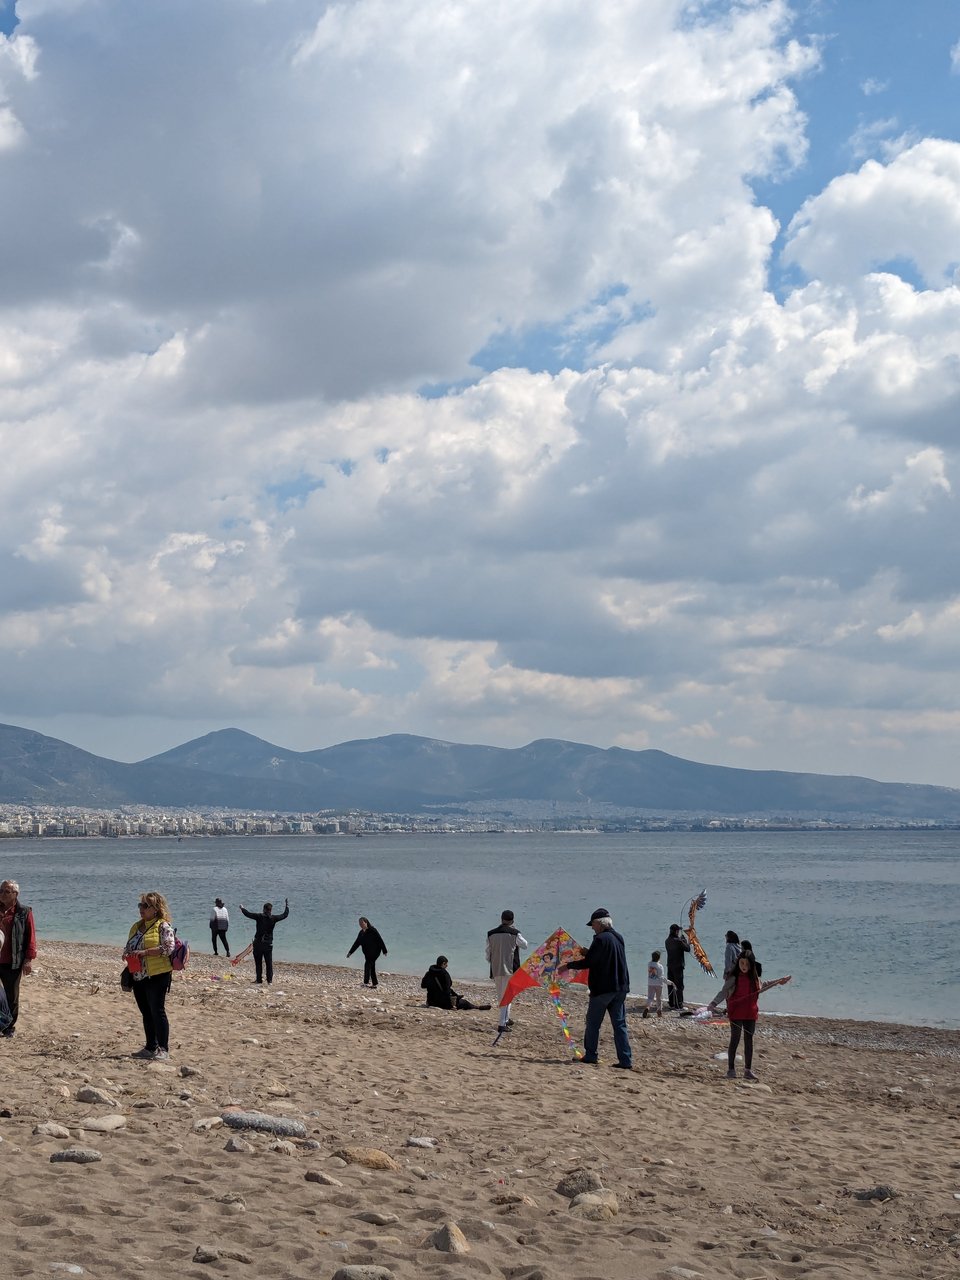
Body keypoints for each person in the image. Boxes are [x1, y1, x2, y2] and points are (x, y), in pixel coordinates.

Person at [561, 907, 633, 1070]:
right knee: (620, 1025)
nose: (592, 928)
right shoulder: (618, 937)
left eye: (592, 925)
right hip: (620, 987)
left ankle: (591, 1055)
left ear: (599, 924)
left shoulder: (600, 939)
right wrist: (588, 952)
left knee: (593, 1023)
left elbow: (590, 963)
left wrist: (568, 966)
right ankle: (626, 1060)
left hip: (603, 989)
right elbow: (602, 956)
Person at [123, 891, 175, 1060]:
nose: (141, 909)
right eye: (140, 905)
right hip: (138, 975)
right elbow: (129, 945)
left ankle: (163, 1049)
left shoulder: (163, 926)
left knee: (157, 1011)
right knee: (146, 1012)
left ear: (155, 908)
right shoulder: (137, 926)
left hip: (157, 974)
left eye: (145, 906)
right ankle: (150, 1047)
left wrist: (145, 952)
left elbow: (168, 948)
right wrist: (127, 953)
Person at [0, 880, 37, 1037]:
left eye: (7, 892)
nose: (2, 894)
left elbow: (30, 937)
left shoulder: (24, 912)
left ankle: (9, 1027)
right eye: (1, 890)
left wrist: (28, 960)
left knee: (11, 996)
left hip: (13, 961)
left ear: (16, 894)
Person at [720, 949, 762, 1080]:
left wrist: (778, 981)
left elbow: (763, 985)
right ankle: (731, 1070)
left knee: (749, 1041)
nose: (744, 967)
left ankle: (747, 1070)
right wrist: (712, 1004)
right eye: (742, 963)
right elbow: (723, 992)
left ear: (751, 965)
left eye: (746, 964)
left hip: (750, 1013)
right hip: (736, 1012)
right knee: (735, 1039)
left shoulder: (754, 978)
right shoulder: (734, 977)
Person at [486, 909, 528, 1032]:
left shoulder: (491, 934)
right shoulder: (515, 933)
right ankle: (502, 1024)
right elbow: (525, 945)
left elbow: (488, 953)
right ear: (512, 921)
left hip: (496, 968)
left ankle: (506, 1018)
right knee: (507, 996)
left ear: (501, 919)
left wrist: (492, 963)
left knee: (502, 996)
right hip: (510, 969)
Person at [239, 898, 289, 984]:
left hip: (258, 943)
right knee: (268, 963)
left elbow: (248, 914)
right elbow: (284, 915)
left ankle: (259, 980)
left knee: (258, 963)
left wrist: (242, 908)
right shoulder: (274, 918)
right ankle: (269, 981)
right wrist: (287, 906)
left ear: (264, 909)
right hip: (268, 944)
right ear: (271, 910)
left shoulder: (259, 916)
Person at [421, 956, 492, 1010]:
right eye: (446, 964)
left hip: (431, 1001)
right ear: (443, 964)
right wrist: (454, 1000)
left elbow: (423, 985)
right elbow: (447, 989)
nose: (447, 966)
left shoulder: (429, 973)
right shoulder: (444, 974)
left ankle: (474, 1006)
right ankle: (477, 1007)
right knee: (464, 1002)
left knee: (459, 999)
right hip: (442, 1003)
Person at [347, 916, 388, 987]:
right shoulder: (361, 933)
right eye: (359, 923)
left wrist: (384, 950)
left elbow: (380, 940)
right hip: (367, 953)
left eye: (362, 923)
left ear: (366, 922)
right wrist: (350, 952)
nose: (360, 924)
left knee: (367, 965)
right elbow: (356, 943)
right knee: (372, 967)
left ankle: (365, 982)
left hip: (375, 952)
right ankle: (375, 984)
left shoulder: (373, 930)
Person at [707, 930, 742, 1012]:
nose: (725, 937)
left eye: (726, 935)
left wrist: (726, 973)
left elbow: (728, 961)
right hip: (740, 972)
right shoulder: (738, 947)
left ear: (728, 937)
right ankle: (733, 1008)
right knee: (735, 990)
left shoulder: (729, 946)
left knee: (725, 990)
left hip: (732, 972)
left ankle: (712, 1005)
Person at [664, 923, 691, 1009]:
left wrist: (681, 940)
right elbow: (688, 949)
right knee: (679, 985)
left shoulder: (667, 941)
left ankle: (671, 1003)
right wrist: (684, 941)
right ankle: (679, 1004)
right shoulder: (678, 941)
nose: (679, 932)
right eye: (678, 931)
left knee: (671, 984)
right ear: (676, 931)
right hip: (678, 966)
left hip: (670, 965)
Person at [644, 949, 665, 1018]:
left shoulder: (649, 964)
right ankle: (659, 1012)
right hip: (659, 984)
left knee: (650, 998)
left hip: (650, 983)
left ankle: (647, 1007)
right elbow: (661, 977)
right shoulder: (660, 966)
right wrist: (669, 982)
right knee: (659, 998)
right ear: (659, 958)